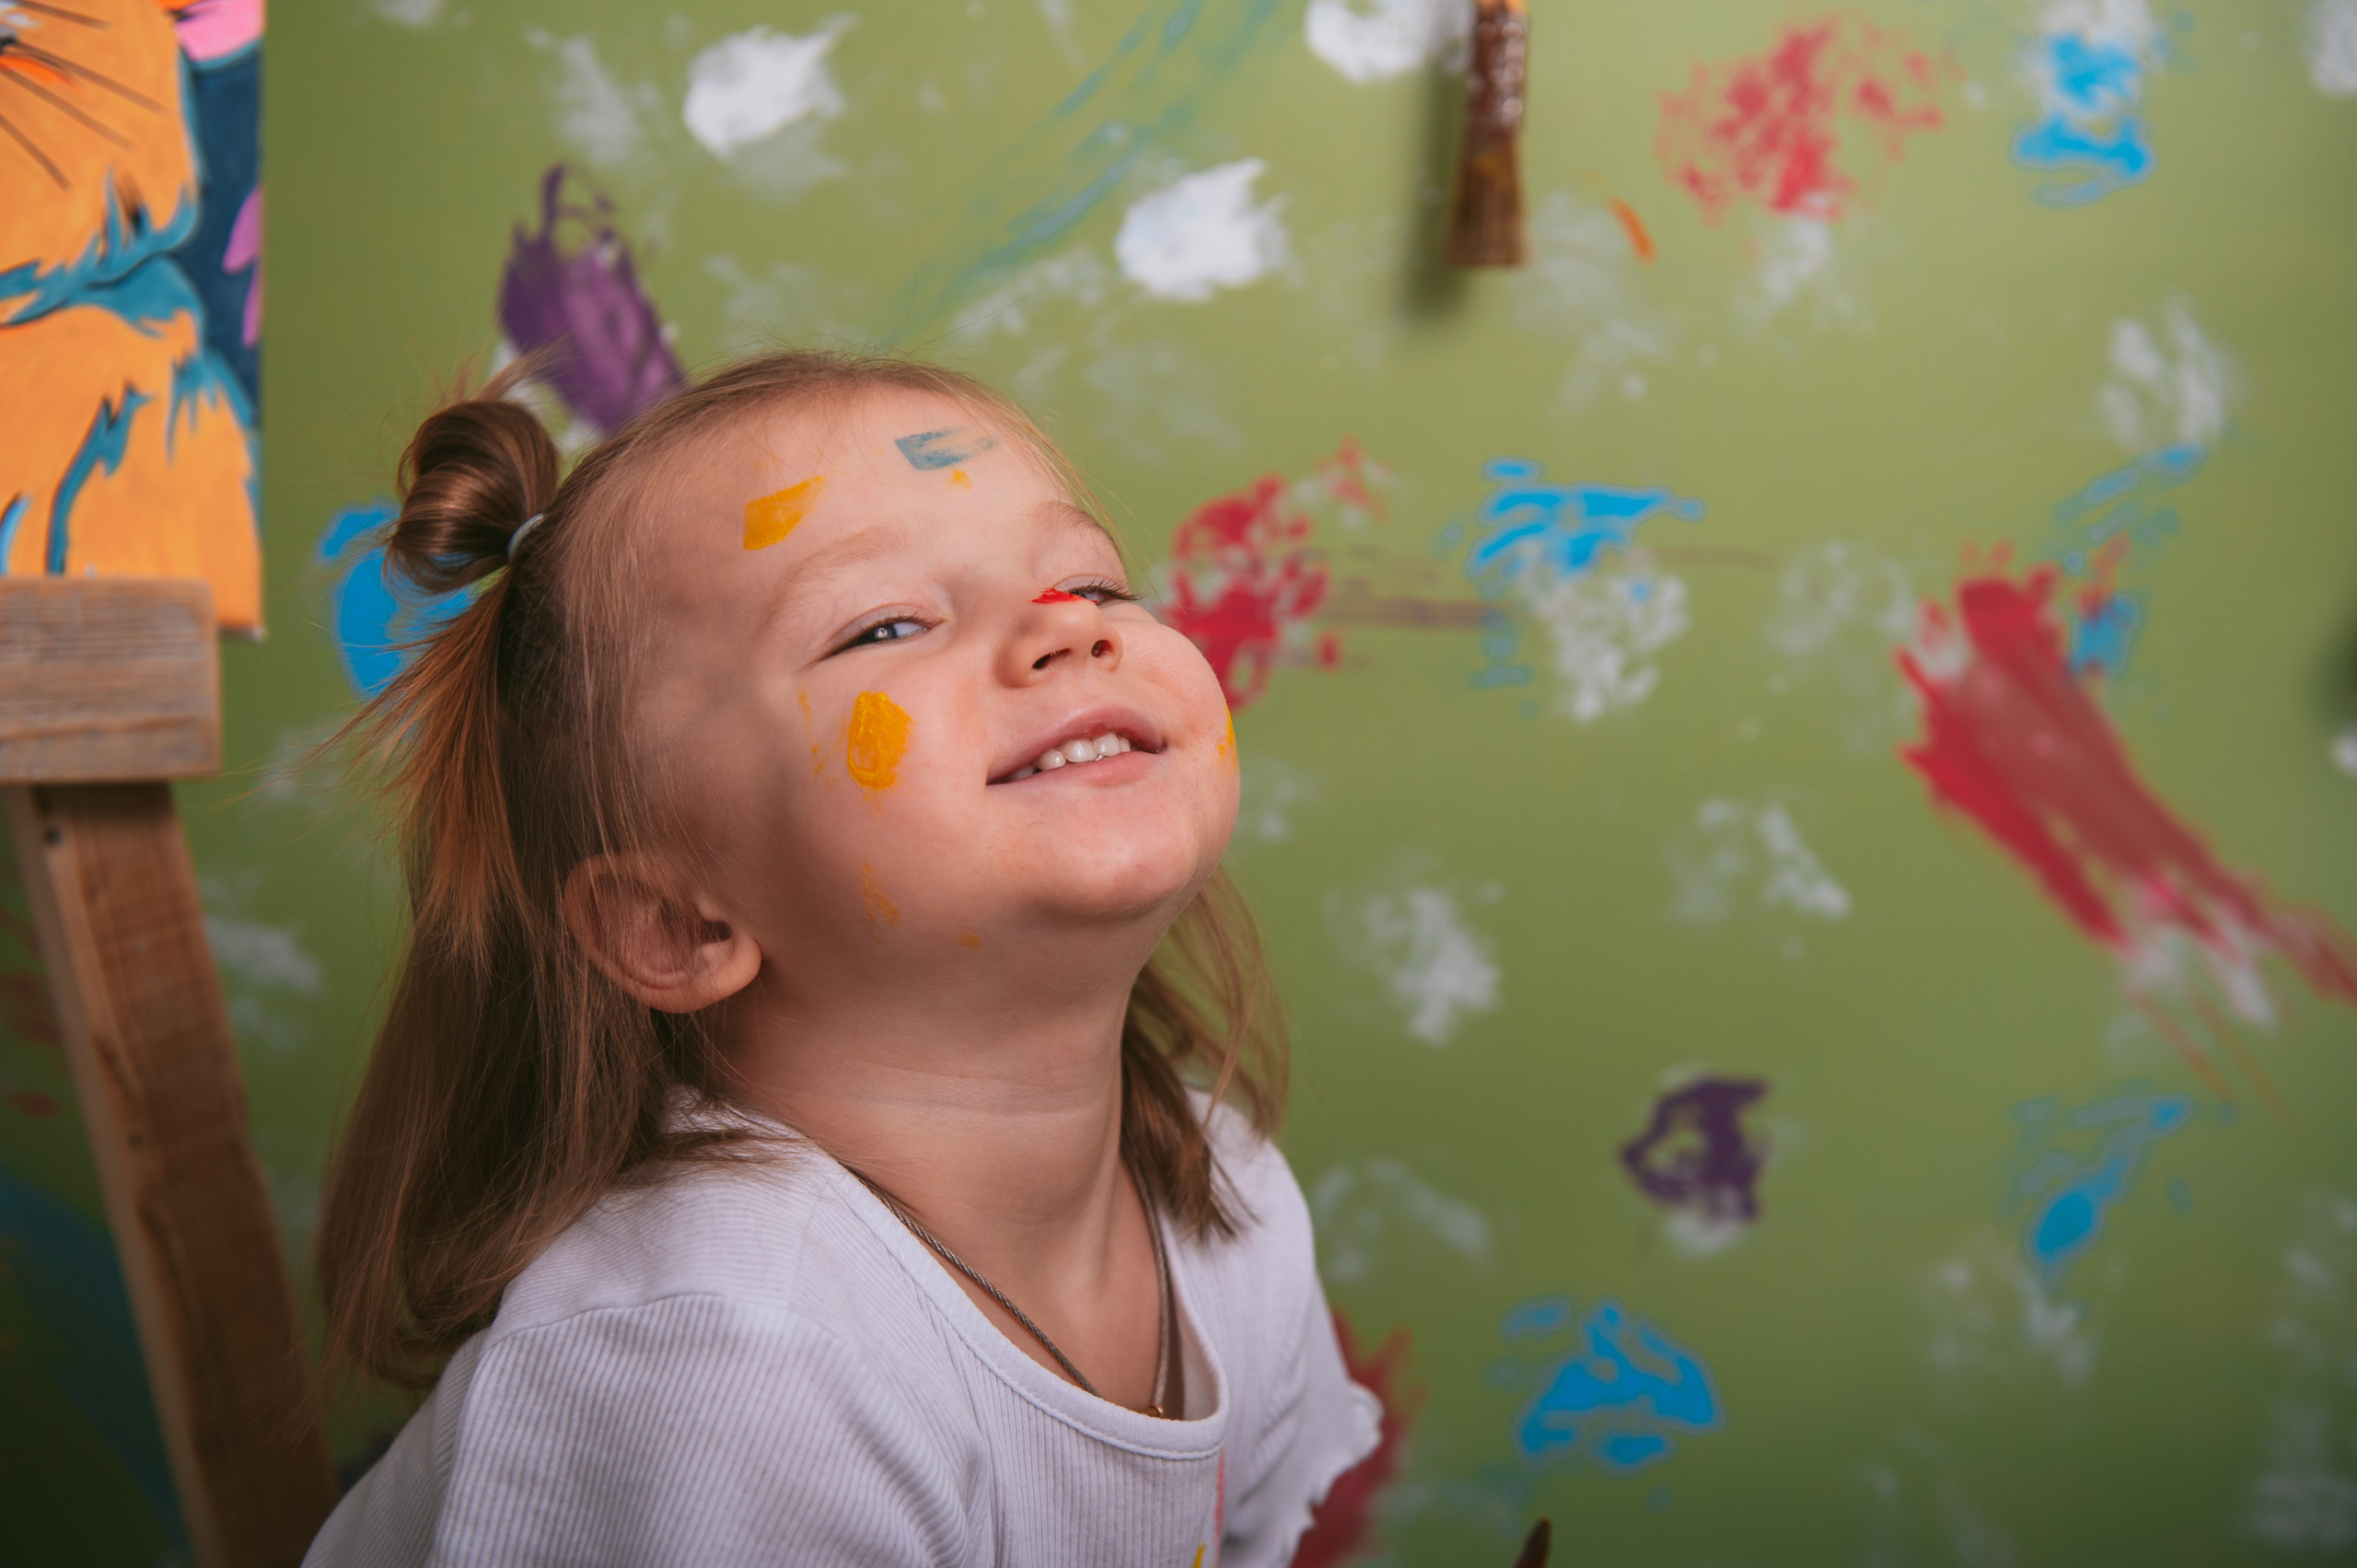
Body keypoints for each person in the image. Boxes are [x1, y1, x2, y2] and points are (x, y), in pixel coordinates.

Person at [302, 350, 1380, 1567]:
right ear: (674, 923)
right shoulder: (728, 1356)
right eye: (885, 624)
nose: (1062, 632)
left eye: (1092, 582)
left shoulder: (1224, 1200)